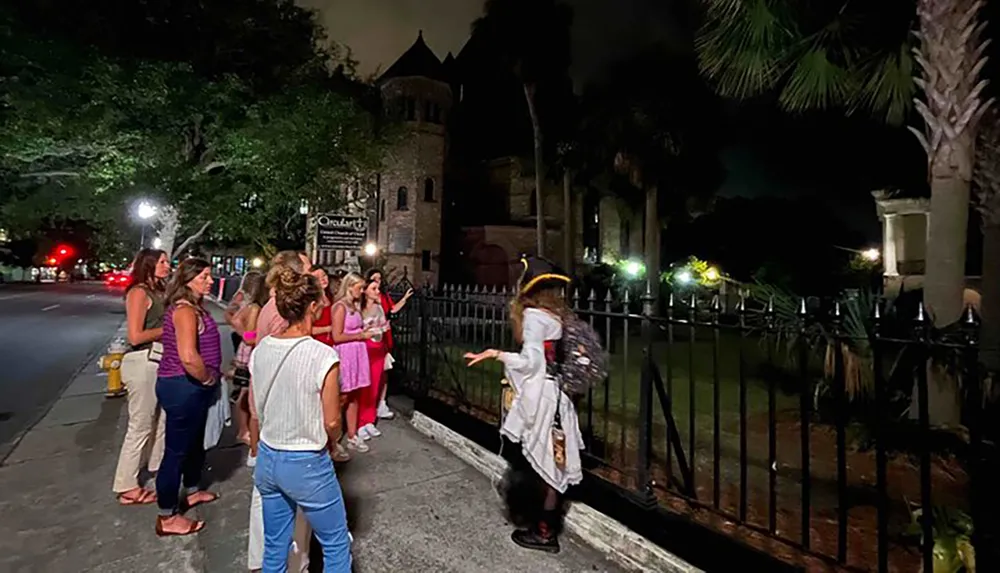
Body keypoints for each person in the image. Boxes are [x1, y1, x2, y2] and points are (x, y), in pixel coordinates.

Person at [464, 256, 584, 553]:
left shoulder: (533, 316)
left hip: (541, 398)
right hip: (558, 395)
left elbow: (531, 362)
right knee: (553, 465)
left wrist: (497, 354)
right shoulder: (557, 316)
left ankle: (544, 533)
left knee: (542, 466)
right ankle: (546, 527)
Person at [249, 268, 351, 572]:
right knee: (335, 543)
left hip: (268, 458)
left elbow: (258, 406)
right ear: (313, 307)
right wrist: (334, 441)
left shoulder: (262, 348)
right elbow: (332, 421)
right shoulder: (323, 356)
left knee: (274, 546)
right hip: (306, 461)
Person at [247, 250, 315, 573]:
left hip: (269, 410)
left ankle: (266, 560)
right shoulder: (280, 312)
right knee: (285, 498)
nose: (313, 269)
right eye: (307, 265)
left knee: (269, 493)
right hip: (283, 416)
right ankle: (290, 562)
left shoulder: (272, 306)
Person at [154, 257, 222, 536]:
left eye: (209, 275)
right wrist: (206, 377)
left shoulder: (196, 308)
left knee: (194, 443)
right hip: (183, 385)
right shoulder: (184, 311)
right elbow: (188, 356)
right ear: (187, 279)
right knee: (176, 451)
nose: (210, 280)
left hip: (193, 387)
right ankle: (167, 514)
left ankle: (192, 488)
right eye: (204, 276)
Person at [112, 248, 171, 505]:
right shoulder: (138, 293)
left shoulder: (160, 291)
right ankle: (126, 484)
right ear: (149, 265)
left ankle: (157, 469)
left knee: (161, 420)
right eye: (162, 261)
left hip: (159, 361)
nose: (167, 265)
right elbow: (135, 336)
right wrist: (168, 329)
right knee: (140, 425)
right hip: (143, 361)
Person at [331, 273, 377, 452]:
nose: (362, 291)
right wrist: (360, 335)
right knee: (342, 396)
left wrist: (367, 329)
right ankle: (333, 439)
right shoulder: (340, 307)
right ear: (349, 286)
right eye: (359, 287)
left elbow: (355, 328)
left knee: (354, 395)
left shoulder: (355, 306)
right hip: (346, 353)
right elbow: (337, 336)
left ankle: (352, 435)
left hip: (357, 352)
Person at [365, 269, 413, 420]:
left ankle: (381, 402)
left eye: (380, 279)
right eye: (374, 279)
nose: (378, 282)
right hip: (370, 338)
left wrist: (404, 299)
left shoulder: (383, 297)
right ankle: (369, 406)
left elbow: (392, 310)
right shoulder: (366, 299)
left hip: (384, 336)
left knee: (383, 372)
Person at [229, 272, 269, 445]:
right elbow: (249, 336)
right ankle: (243, 429)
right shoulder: (255, 308)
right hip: (250, 353)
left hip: (247, 352)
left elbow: (236, 319)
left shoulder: (252, 306)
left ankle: (244, 429)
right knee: (245, 393)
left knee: (246, 392)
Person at [358, 278, 390, 439]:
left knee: (375, 385)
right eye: (374, 288)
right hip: (363, 349)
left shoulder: (379, 308)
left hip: (377, 349)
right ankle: (359, 422)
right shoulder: (358, 308)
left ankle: (369, 420)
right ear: (365, 291)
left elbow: (385, 327)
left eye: (378, 288)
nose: (377, 291)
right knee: (363, 385)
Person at [310, 268, 335, 346]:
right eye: (317, 277)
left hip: (331, 343)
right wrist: (328, 328)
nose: (323, 279)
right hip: (317, 344)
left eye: (324, 275)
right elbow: (308, 329)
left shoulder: (331, 297)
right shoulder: (311, 301)